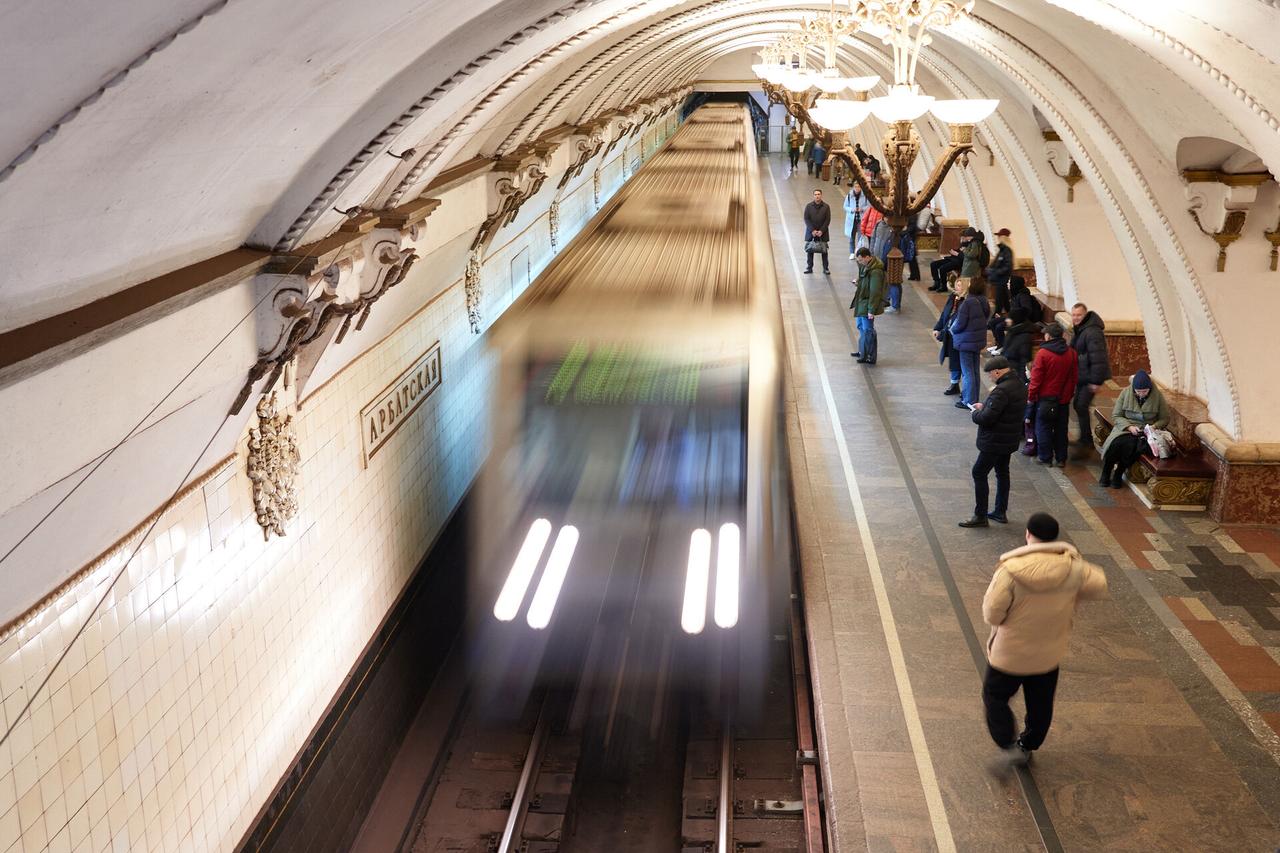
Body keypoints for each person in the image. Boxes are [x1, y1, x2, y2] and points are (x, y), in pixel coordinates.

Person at [981, 512, 1108, 765]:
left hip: (1010, 654)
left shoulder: (1009, 571)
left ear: (1028, 534)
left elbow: (992, 613)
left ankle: (1007, 744)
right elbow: (1100, 585)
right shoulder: (1074, 568)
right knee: (1040, 703)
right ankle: (1028, 744)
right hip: (1049, 652)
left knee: (995, 696)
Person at [960, 355, 1027, 528]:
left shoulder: (1001, 390)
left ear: (997, 372)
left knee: (979, 473)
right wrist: (986, 405)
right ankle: (1000, 511)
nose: (990, 377)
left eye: (990, 374)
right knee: (1002, 473)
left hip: (995, 440)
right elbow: (1003, 409)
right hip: (1008, 438)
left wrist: (975, 413)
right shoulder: (1018, 384)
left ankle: (980, 515)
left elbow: (987, 418)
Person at [1099, 370, 1169, 488]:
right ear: (1133, 389)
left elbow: (1165, 419)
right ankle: (1106, 472)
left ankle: (1119, 473)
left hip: (1145, 431)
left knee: (1134, 448)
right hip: (1125, 428)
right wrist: (1129, 426)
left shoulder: (1158, 397)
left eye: (1145, 391)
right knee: (1115, 444)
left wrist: (1154, 426)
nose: (1141, 394)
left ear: (1150, 388)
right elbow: (1117, 415)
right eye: (1138, 391)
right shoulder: (1125, 393)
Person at [1026, 322, 1078, 468]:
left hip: (1045, 399)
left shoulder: (1043, 354)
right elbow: (1074, 377)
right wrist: (1068, 394)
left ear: (1048, 336)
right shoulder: (1071, 353)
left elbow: (1036, 379)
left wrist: (1031, 396)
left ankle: (1045, 457)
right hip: (1063, 399)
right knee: (1061, 429)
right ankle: (1061, 458)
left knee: (1043, 427)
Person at [1070, 302, 1112, 454]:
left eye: (1079, 315)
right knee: (1078, 405)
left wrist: (1096, 381)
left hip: (1090, 377)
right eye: (1073, 315)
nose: (1075, 318)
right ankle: (1085, 439)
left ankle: (1087, 442)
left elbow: (1099, 358)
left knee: (1081, 405)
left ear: (1085, 315)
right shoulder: (1082, 329)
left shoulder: (1092, 332)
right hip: (1083, 375)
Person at [949, 276, 991, 408]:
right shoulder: (984, 300)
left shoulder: (968, 302)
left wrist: (952, 329)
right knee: (974, 371)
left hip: (966, 341)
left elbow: (960, 323)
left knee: (967, 372)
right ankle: (974, 398)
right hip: (977, 340)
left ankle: (968, 400)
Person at [850, 247, 886, 364]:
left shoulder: (875, 271)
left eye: (860, 260)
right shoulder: (865, 266)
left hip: (867, 304)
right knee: (861, 327)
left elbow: (875, 292)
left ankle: (869, 355)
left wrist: (871, 309)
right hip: (862, 302)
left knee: (868, 330)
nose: (859, 262)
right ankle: (862, 351)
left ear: (867, 257)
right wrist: (858, 282)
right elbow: (864, 282)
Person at [984, 228, 1015, 350]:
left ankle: (992, 322)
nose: (997, 238)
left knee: (999, 303)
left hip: (1001, 280)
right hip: (998, 280)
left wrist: (994, 272)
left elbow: (1007, 267)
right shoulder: (1002, 250)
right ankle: (1009, 317)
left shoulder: (1007, 251)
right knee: (1005, 303)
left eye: (999, 236)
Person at [933, 278, 964, 396]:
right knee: (954, 360)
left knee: (961, 362)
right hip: (949, 334)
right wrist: (937, 327)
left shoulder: (966, 301)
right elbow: (945, 314)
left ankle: (963, 387)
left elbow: (957, 320)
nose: (957, 288)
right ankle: (954, 383)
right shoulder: (953, 297)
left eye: (960, 285)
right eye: (957, 285)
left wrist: (945, 330)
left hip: (958, 335)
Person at [1001, 308, 1037, 382]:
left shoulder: (1024, 337)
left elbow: (1024, 360)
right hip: (1007, 369)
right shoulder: (1012, 330)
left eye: (1009, 318)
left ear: (1015, 320)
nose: (1006, 320)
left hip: (1014, 374)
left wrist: (1022, 380)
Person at [802, 189, 831, 275]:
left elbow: (827, 220)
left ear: (821, 195)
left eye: (818, 194)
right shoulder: (808, 206)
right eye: (815, 194)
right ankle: (809, 267)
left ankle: (825, 268)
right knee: (810, 250)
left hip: (823, 233)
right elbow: (806, 219)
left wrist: (821, 231)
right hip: (811, 232)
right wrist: (813, 230)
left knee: (824, 251)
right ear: (813, 196)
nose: (817, 196)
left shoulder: (826, 207)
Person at [843, 185, 869, 258]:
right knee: (852, 236)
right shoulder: (849, 196)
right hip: (852, 219)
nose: (857, 188)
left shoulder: (865, 196)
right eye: (855, 187)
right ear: (853, 187)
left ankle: (859, 252)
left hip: (861, 219)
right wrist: (851, 209)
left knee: (861, 237)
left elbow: (869, 206)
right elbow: (845, 206)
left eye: (858, 187)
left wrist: (862, 209)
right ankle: (852, 252)